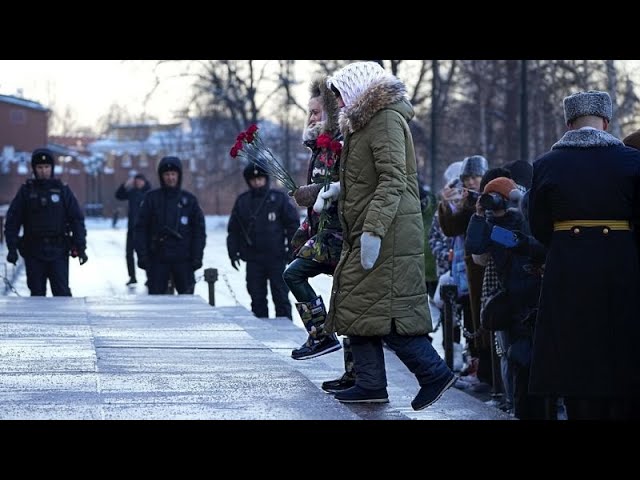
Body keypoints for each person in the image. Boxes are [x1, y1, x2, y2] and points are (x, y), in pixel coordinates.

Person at [322, 61, 455, 410]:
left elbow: (394, 179)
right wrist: (338, 190)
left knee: (388, 313)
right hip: (375, 229)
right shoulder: (365, 123)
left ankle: (433, 374)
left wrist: (373, 230)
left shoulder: (385, 120)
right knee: (358, 305)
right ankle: (370, 383)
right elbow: (371, 175)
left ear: (358, 91)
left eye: (340, 96)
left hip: (388, 232)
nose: (338, 104)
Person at [528, 90, 640, 419]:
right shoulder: (633, 162)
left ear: (569, 123)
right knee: (619, 349)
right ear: (606, 122)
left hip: (567, 269)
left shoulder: (545, 165)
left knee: (574, 352)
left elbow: (537, 225)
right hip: (620, 266)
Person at [284, 75, 344, 360]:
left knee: (293, 274)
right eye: (308, 112)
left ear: (331, 114)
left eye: (316, 112)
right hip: (324, 231)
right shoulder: (320, 147)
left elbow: (347, 185)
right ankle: (354, 373)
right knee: (345, 302)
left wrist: (309, 193)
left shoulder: (341, 144)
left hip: (340, 234)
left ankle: (321, 336)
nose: (310, 118)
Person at [4, 148, 87, 296]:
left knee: (62, 293)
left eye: (47, 167)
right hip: (33, 250)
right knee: (36, 294)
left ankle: (63, 320)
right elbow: (12, 222)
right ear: (34, 169)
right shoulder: (26, 192)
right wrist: (12, 248)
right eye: (40, 167)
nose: (43, 171)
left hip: (59, 249)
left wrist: (80, 246)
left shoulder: (62, 191)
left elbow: (77, 219)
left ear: (52, 168)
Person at [227, 163, 299, 319]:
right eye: (253, 179)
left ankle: (287, 335)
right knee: (257, 298)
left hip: (277, 258)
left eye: (260, 178)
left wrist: (292, 250)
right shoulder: (243, 201)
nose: (257, 182)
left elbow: (293, 225)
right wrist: (233, 252)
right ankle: (261, 334)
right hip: (253, 259)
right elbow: (234, 230)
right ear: (248, 181)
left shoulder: (278, 199)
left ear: (265, 179)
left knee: (281, 297)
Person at [134, 156, 206, 295]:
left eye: (173, 174)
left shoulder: (189, 200)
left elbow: (199, 231)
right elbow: (140, 229)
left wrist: (197, 257)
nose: (170, 178)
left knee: (187, 301)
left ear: (179, 176)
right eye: (167, 174)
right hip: (157, 259)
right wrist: (143, 256)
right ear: (161, 176)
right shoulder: (151, 199)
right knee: (157, 302)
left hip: (184, 260)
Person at [115, 172, 151, 285]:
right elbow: (118, 195)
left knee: (145, 254)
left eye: (140, 181)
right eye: (136, 181)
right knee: (129, 254)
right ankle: (132, 277)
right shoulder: (132, 192)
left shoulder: (150, 194)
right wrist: (125, 184)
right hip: (132, 229)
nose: (138, 183)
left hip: (145, 230)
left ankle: (149, 277)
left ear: (144, 181)